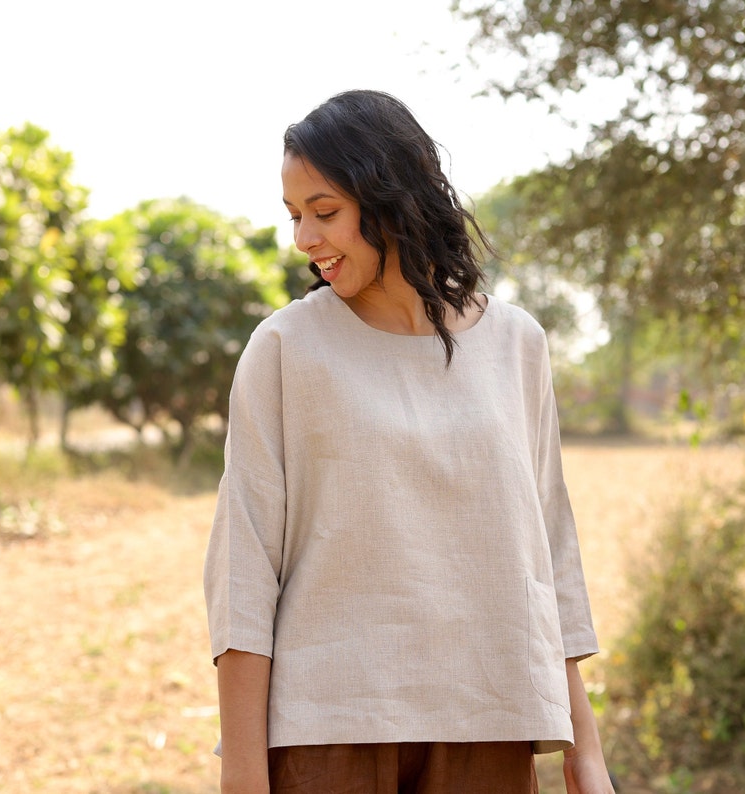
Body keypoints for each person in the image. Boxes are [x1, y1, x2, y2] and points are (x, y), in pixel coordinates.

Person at [204, 89, 615, 794]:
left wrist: (588, 755)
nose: (305, 240)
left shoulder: (517, 345)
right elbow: (242, 579)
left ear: (392, 196)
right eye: (295, 216)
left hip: (494, 720)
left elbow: (548, 557)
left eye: (325, 212)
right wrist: (243, 779)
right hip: (326, 730)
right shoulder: (284, 350)